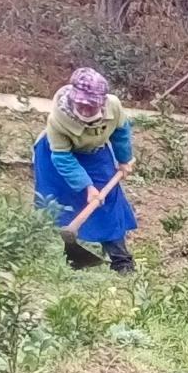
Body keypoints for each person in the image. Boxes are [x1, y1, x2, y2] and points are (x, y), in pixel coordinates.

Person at [31, 67, 138, 273]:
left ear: (102, 102)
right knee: (55, 203)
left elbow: (121, 132)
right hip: (57, 157)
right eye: (81, 104)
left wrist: (124, 160)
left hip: (94, 153)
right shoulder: (58, 118)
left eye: (91, 106)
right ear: (73, 98)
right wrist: (87, 186)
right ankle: (49, 252)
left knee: (107, 204)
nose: (86, 110)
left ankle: (121, 261)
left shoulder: (112, 106)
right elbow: (62, 157)